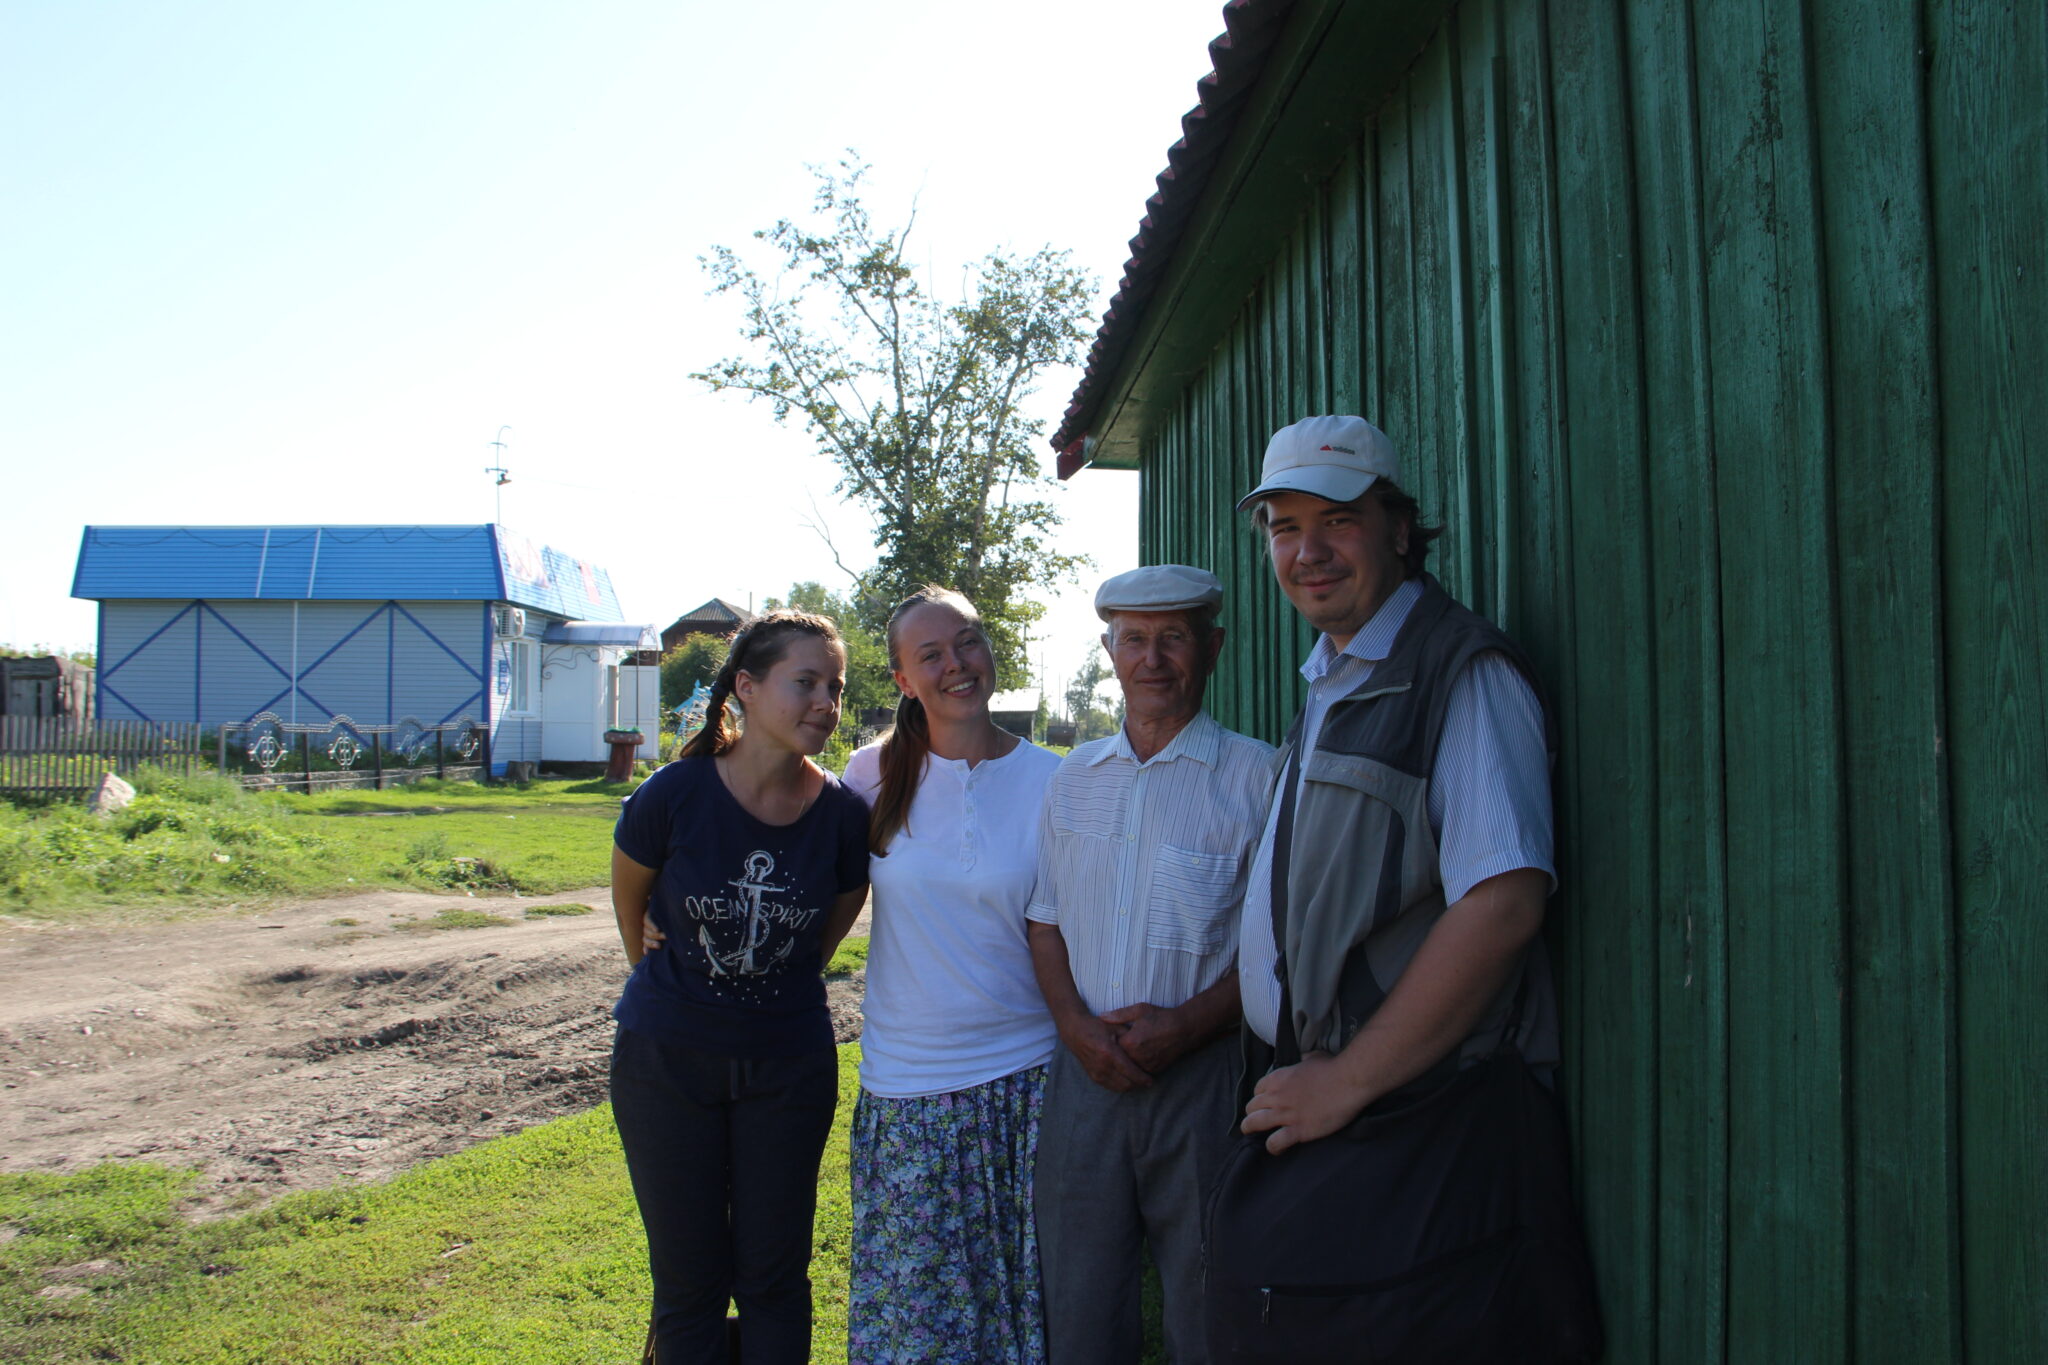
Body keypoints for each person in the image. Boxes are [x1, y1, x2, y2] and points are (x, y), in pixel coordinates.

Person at [1026, 564, 1277, 1365]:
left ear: (1214, 648)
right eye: (1135, 638)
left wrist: (1189, 1024)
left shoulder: (1257, 778)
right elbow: (1045, 921)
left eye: (1175, 638)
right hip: (1084, 1080)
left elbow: (1281, 947)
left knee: (1208, 1301)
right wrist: (1074, 1028)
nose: (1153, 658)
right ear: (1109, 650)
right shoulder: (1074, 778)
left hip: (1206, 1084)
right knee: (1081, 1304)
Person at [609, 610, 871, 1364]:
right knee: (688, 1282)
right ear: (747, 688)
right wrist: (663, 972)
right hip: (666, 1065)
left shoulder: (844, 819)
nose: (826, 701)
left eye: (836, 686)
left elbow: (825, 930)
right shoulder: (673, 796)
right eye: (806, 682)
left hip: (786, 1069)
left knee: (774, 1277)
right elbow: (631, 903)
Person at [840, 585, 1063, 1365]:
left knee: (1027, 1318)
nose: (955, 664)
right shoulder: (867, 777)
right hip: (909, 1091)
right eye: (929, 654)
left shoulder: (1055, 780)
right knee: (917, 1328)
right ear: (902, 678)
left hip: (1032, 1085)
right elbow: (800, 882)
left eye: (966, 641)